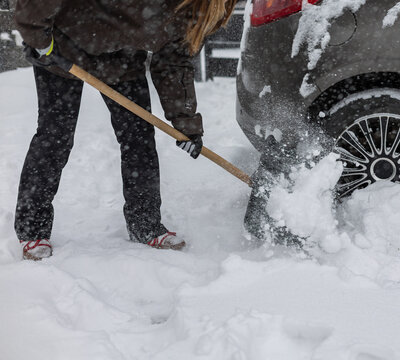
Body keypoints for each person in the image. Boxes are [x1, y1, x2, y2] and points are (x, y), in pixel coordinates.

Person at [14, 0, 237, 260]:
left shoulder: (189, 11)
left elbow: (172, 63)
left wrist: (186, 124)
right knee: (55, 136)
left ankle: (145, 224)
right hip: (62, 49)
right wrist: (39, 38)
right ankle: (32, 229)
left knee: (139, 139)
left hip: (123, 60)